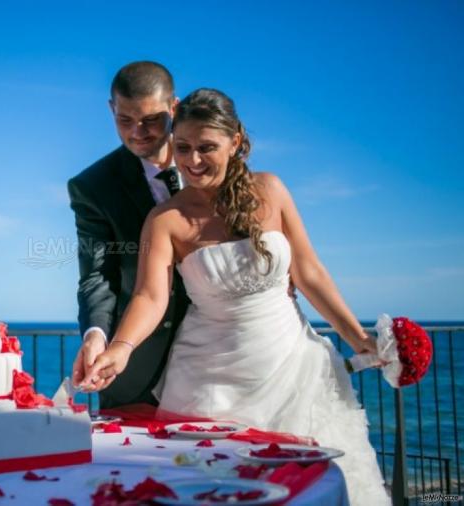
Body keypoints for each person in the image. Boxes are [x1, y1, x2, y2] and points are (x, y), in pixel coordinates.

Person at [81, 88, 390, 505]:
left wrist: (359, 340)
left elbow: (310, 273)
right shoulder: (165, 219)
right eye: (184, 147)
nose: (192, 161)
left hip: (296, 372)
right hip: (209, 386)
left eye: (206, 148)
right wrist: (120, 347)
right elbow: (150, 297)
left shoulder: (272, 190)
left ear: (236, 141)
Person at [68, 61, 189, 408]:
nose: (138, 132)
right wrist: (96, 335)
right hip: (133, 370)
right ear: (111, 109)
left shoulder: (208, 164)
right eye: (125, 120)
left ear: (174, 107)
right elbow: (97, 273)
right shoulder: (92, 186)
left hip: (219, 357)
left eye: (151, 120)